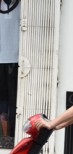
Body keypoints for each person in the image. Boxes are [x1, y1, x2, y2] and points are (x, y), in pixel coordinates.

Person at [0, 0, 21, 143]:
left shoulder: (23, 5)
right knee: (2, 100)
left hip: (17, 58)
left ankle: (12, 135)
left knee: (14, 99)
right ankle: (3, 136)